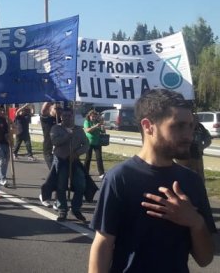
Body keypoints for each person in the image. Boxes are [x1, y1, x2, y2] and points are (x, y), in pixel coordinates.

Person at [89, 89, 216, 272]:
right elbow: (103, 244)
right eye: (178, 126)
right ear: (148, 126)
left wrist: (196, 222)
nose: (189, 135)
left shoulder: (192, 181)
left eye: (190, 126)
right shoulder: (120, 178)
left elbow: (205, 259)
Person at [50, 107, 88, 222]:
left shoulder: (79, 130)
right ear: (61, 117)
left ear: (72, 116)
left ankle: (76, 209)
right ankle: (62, 210)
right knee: (61, 186)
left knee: (81, 185)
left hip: (74, 160)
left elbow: (86, 144)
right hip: (61, 160)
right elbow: (54, 142)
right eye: (64, 116)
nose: (66, 118)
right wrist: (67, 136)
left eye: (69, 116)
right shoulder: (56, 128)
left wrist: (77, 153)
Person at [175, 114, 213, 183]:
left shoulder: (200, 127)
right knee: (186, 173)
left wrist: (202, 147)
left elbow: (208, 139)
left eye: (197, 119)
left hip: (197, 153)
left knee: (199, 173)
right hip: (184, 155)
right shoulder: (183, 126)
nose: (196, 120)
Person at [83, 110, 106, 179]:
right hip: (88, 142)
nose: (93, 118)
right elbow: (87, 130)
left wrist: (102, 126)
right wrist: (95, 126)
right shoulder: (87, 122)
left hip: (97, 142)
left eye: (95, 116)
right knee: (88, 158)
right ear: (89, 116)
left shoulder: (97, 122)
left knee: (99, 158)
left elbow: (103, 131)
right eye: (92, 116)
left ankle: (101, 173)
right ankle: (85, 172)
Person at [39, 102, 60, 169]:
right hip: (48, 148)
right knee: (53, 169)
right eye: (56, 108)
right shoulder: (46, 118)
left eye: (59, 108)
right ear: (50, 109)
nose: (58, 110)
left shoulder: (60, 119)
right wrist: (49, 99)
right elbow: (43, 110)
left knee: (60, 170)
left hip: (59, 148)